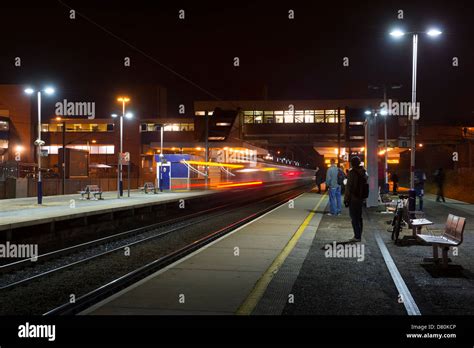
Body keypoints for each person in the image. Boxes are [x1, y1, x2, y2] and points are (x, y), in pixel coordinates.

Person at [344, 156, 367, 242]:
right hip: (361, 198)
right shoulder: (364, 172)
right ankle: (359, 235)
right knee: (359, 217)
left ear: (352, 163)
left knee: (354, 218)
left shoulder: (351, 173)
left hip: (353, 198)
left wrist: (346, 199)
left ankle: (357, 236)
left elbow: (348, 187)